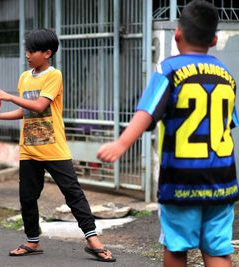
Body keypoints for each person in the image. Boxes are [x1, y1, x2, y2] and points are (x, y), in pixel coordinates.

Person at [97, 1, 238, 266]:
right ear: (215, 39)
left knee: (176, 247)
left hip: (181, 179)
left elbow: (147, 112)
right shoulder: (226, 74)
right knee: (218, 249)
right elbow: (227, 123)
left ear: (177, 33)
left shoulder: (169, 69)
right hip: (223, 178)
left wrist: (122, 143)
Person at [0, 28, 115, 262]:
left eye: (33, 51)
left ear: (47, 53)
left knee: (73, 194)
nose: (28, 54)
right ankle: (32, 241)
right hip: (28, 149)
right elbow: (25, 110)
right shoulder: (24, 77)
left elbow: (39, 106)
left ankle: (93, 240)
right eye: (27, 50)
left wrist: (8, 97)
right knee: (27, 197)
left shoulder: (54, 75)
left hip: (54, 148)